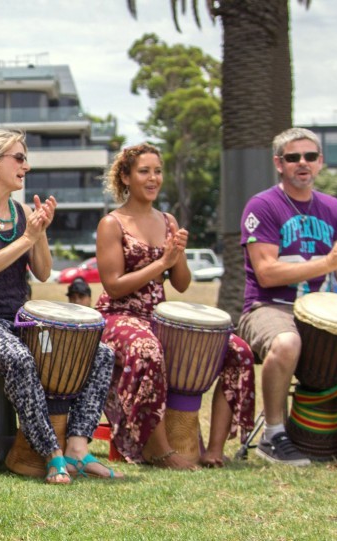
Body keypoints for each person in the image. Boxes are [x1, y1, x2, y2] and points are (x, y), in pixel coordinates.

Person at [0, 128, 122, 484]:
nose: (26, 166)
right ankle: (50, 452)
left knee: (100, 353)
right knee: (18, 357)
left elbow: (42, 272)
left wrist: (39, 232)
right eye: (20, 158)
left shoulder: (22, 210)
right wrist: (28, 236)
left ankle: (76, 446)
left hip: (18, 320)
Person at [237, 127, 337, 466]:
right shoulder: (263, 205)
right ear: (279, 164)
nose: (302, 163)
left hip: (324, 311)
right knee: (286, 344)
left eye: (310, 156)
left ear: (320, 162)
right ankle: (273, 435)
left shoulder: (334, 209)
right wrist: (326, 261)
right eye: (293, 157)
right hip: (269, 307)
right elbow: (266, 272)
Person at [95, 143, 255, 470]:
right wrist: (161, 263)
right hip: (118, 316)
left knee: (237, 350)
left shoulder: (167, 220)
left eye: (157, 171)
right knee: (147, 350)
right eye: (144, 171)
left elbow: (181, 283)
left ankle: (213, 449)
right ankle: (161, 452)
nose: (153, 178)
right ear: (125, 177)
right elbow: (113, 285)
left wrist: (177, 254)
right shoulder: (112, 223)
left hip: (157, 316)